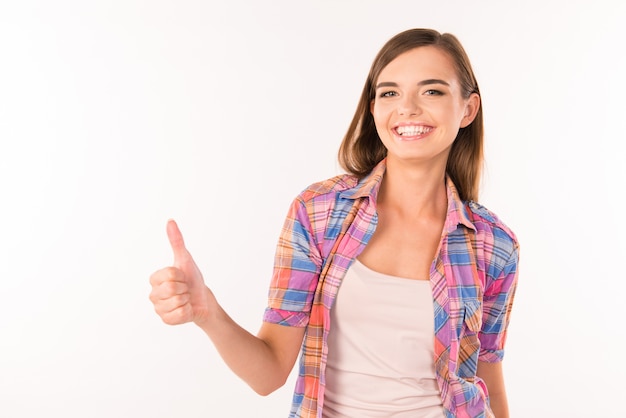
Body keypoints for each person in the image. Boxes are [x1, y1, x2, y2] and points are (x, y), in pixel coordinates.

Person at [149, 28, 519, 418]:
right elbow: (269, 373)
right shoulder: (319, 212)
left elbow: (487, 379)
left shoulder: (494, 245)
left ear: (468, 109)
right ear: (373, 108)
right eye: (389, 92)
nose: (407, 108)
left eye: (432, 91)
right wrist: (208, 313)